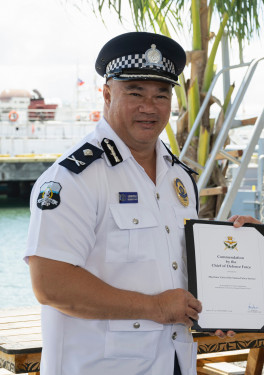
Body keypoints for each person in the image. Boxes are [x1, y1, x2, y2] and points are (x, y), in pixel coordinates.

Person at [25, 32, 247, 375]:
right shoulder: (73, 178)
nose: (150, 107)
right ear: (107, 94)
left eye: (161, 95)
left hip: (173, 360)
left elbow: (174, 258)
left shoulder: (179, 177)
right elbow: (51, 284)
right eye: (135, 93)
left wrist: (239, 252)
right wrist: (154, 307)